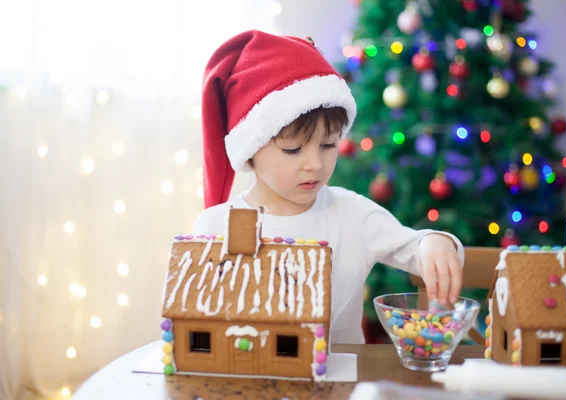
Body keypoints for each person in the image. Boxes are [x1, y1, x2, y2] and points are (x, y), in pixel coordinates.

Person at [194, 30, 464, 344]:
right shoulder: (215, 226)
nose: (316, 165)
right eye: (293, 150)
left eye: (328, 145)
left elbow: (416, 247)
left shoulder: (352, 213)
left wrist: (435, 242)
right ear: (250, 147)